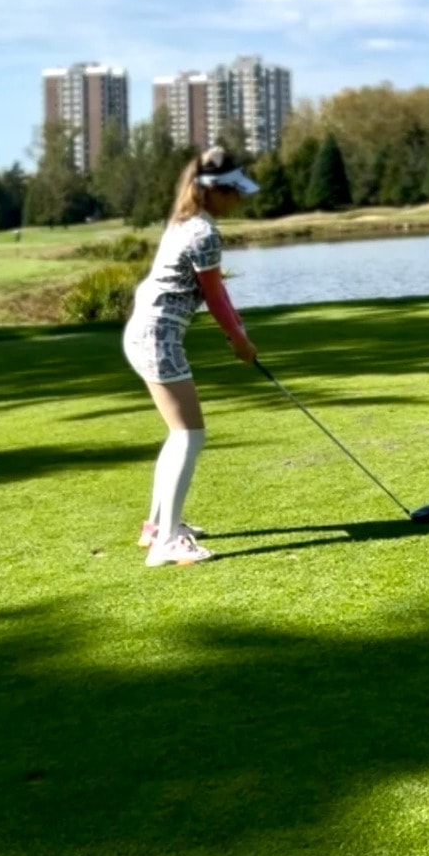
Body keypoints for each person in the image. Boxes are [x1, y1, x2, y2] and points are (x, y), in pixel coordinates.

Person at [123, 145, 259, 567]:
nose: (239, 199)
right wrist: (238, 340)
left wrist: (240, 332)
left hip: (146, 333)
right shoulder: (203, 232)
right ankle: (166, 543)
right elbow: (215, 297)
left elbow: (217, 292)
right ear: (213, 191)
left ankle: (157, 526)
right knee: (189, 435)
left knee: (179, 433)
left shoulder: (185, 223)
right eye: (233, 191)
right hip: (157, 337)